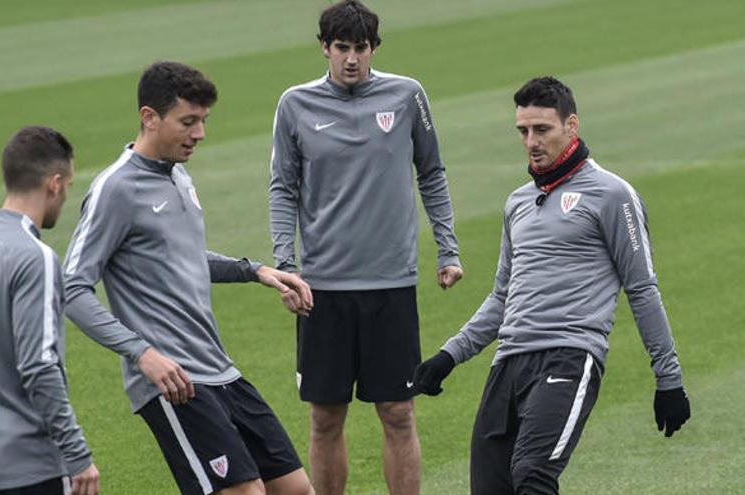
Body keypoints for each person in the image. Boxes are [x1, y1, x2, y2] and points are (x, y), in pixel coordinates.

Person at [414, 76, 691, 494]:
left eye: (542, 129)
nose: (531, 141)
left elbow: (642, 288)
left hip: (568, 358)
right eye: (523, 131)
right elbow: (503, 296)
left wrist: (668, 378)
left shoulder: (613, 196)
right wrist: (448, 357)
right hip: (507, 364)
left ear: (571, 126)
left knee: (532, 474)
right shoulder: (518, 203)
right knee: (491, 488)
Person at [62, 61, 314, 495]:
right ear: (149, 117)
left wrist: (255, 270)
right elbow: (71, 288)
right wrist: (142, 354)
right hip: (175, 381)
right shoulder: (116, 189)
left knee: (295, 490)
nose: (200, 134)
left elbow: (183, 257)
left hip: (221, 371)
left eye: (203, 121)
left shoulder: (178, 174)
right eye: (188, 122)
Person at [268, 1, 463, 493]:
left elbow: (432, 172)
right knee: (325, 418)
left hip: (391, 286)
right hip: (322, 290)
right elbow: (282, 188)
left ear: (374, 48)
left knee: (398, 412)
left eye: (360, 48)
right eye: (341, 48)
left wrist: (448, 248)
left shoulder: (406, 96)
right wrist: (285, 265)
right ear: (324, 48)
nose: (351, 59)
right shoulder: (295, 104)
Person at [0, 126, 100, 495]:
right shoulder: (35, 256)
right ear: (55, 183)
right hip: (27, 471)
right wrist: (77, 456)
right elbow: (40, 365)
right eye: (69, 186)